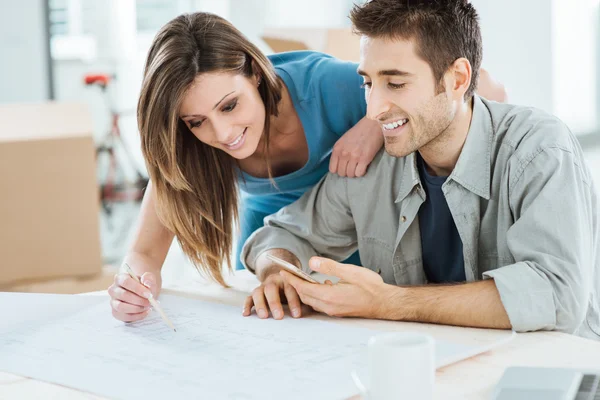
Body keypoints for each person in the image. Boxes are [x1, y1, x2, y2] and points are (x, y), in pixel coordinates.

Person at [107, 11, 506, 323]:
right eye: (196, 122)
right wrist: (133, 287)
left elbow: (484, 87)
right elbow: (141, 255)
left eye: (230, 105)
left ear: (253, 70)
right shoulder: (188, 145)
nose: (224, 133)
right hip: (273, 246)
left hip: (355, 235)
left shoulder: (327, 86)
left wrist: (371, 124)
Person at [241, 0, 600, 340]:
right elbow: (279, 237)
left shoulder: (539, 150)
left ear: (457, 80)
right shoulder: (373, 164)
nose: (373, 110)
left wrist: (390, 303)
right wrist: (277, 273)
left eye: (395, 83)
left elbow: (557, 293)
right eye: (368, 83)